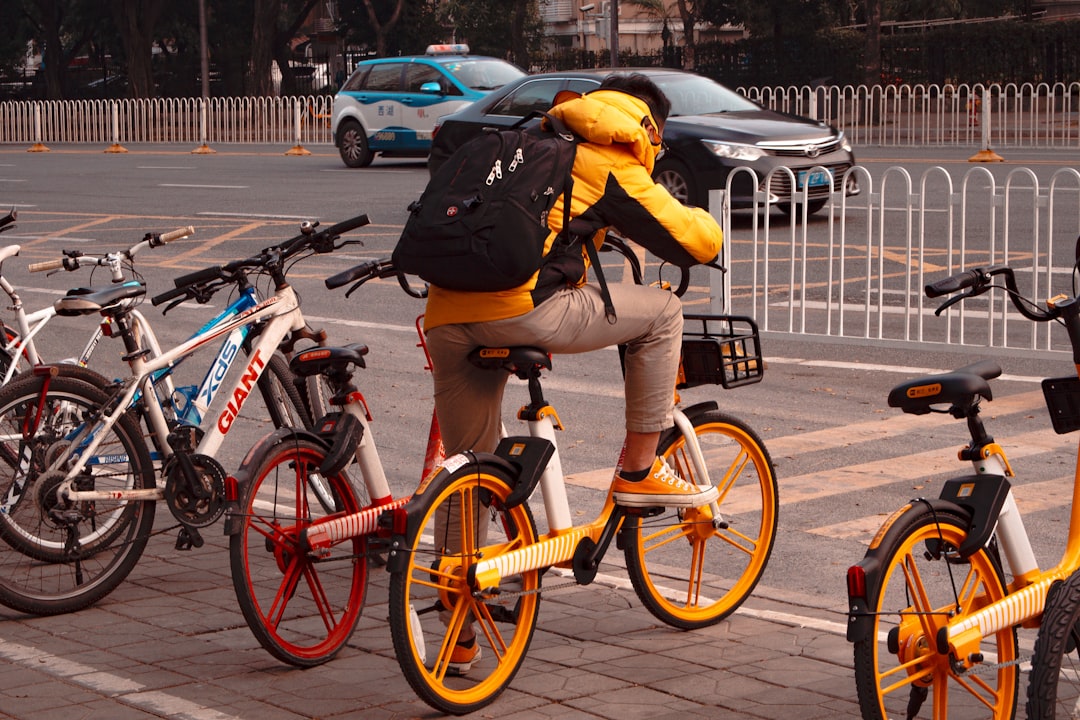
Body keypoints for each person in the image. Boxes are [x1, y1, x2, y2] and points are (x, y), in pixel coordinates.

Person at [422, 73, 724, 672]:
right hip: (522, 313)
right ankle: (640, 467)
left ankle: (457, 635)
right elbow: (695, 241)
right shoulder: (608, 158)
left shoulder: (528, 143)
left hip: (446, 317)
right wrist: (701, 220)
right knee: (663, 309)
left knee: (468, 473)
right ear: (649, 126)